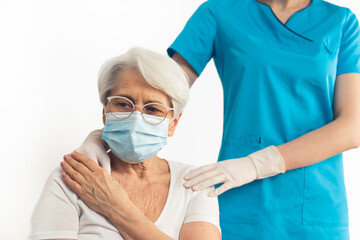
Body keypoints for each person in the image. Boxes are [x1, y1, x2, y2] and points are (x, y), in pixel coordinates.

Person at [75, 0, 360, 239]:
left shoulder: (341, 22)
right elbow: (161, 94)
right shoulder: (220, 11)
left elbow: (352, 127)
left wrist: (258, 164)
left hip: (316, 202)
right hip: (240, 197)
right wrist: (106, 136)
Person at [30, 48, 221, 240]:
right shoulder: (74, 178)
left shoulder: (194, 184)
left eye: (153, 109)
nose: (137, 118)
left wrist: (116, 206)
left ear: (173, 124)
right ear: (105, 113)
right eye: (123, 104)